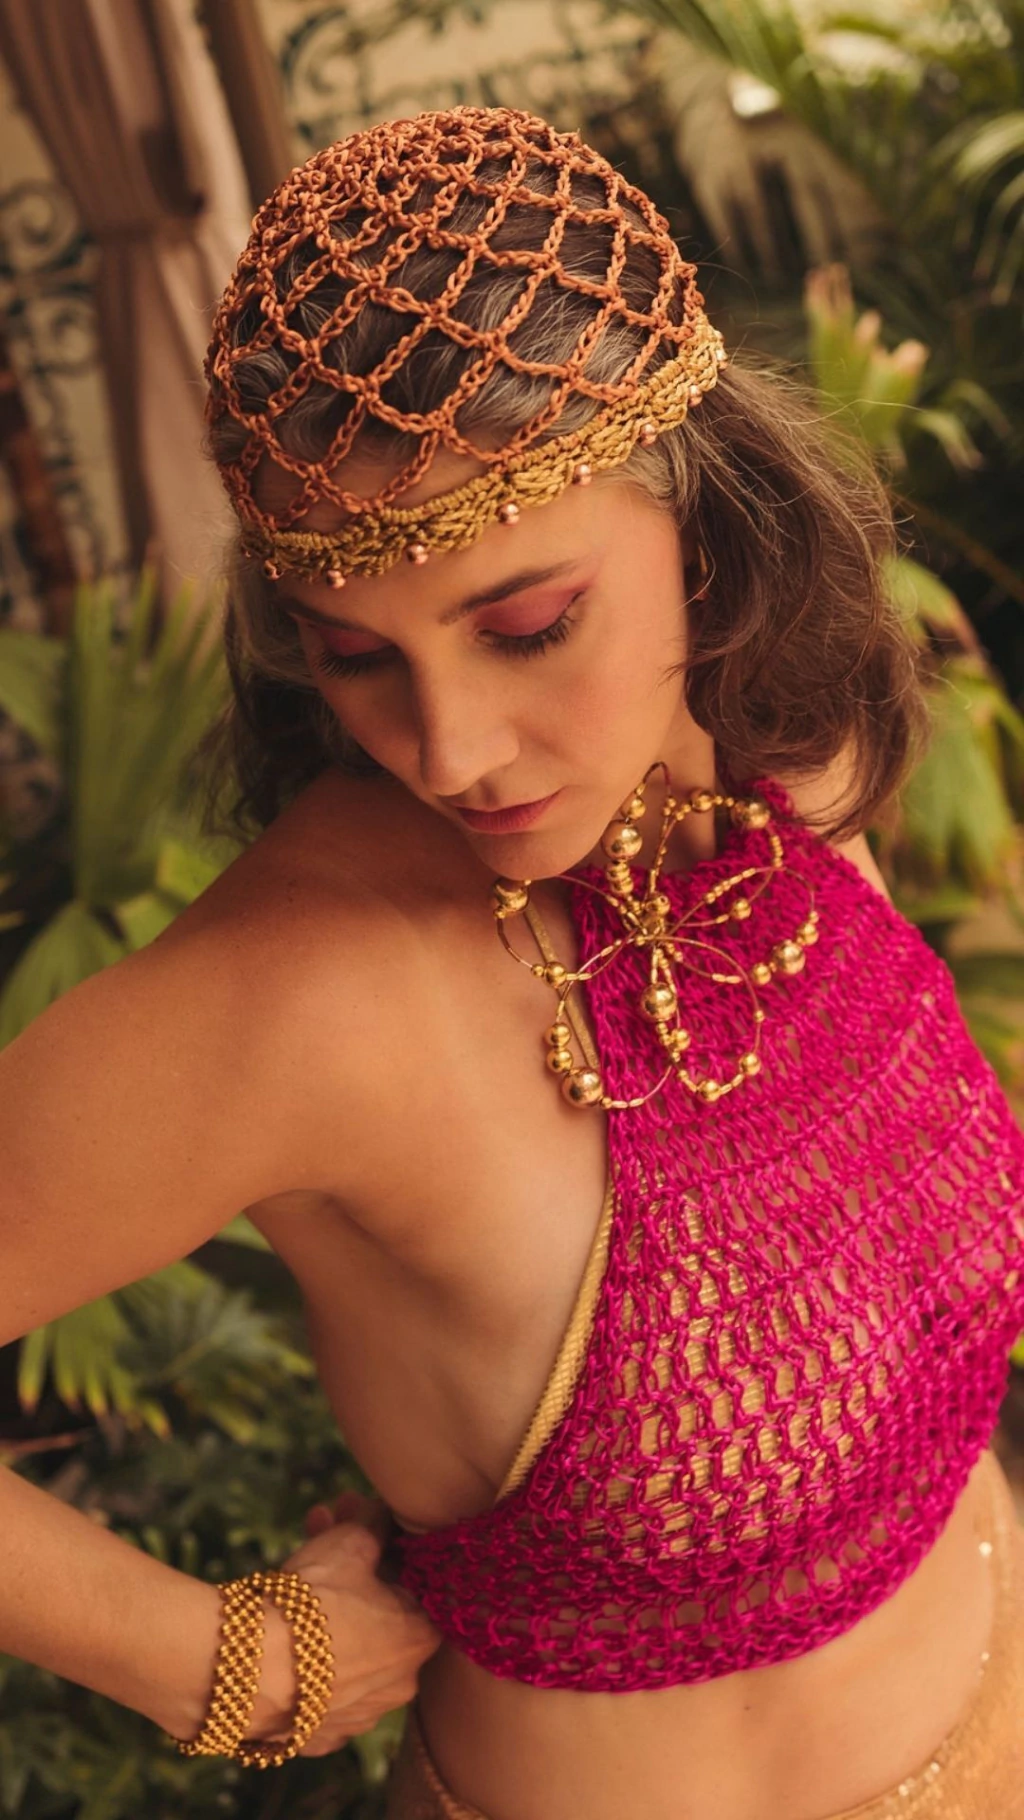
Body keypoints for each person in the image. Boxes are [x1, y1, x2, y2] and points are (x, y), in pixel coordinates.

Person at [2, 103, 1022, 1820]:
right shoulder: (311, 992)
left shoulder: (791, 749)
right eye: (356, 657)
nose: (454, 751)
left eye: (530, 626)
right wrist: (209, 1657)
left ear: (700, 520)